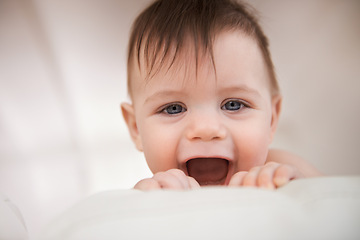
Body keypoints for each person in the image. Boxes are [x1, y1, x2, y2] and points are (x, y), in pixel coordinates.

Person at [121, 0, 321, 190]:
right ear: (136, 127)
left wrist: (297, 192)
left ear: (271, 119)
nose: (206, 129)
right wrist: (143, 205)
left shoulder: (282, 173)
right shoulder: (153, 196)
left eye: (233, 104)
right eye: (173, 108)